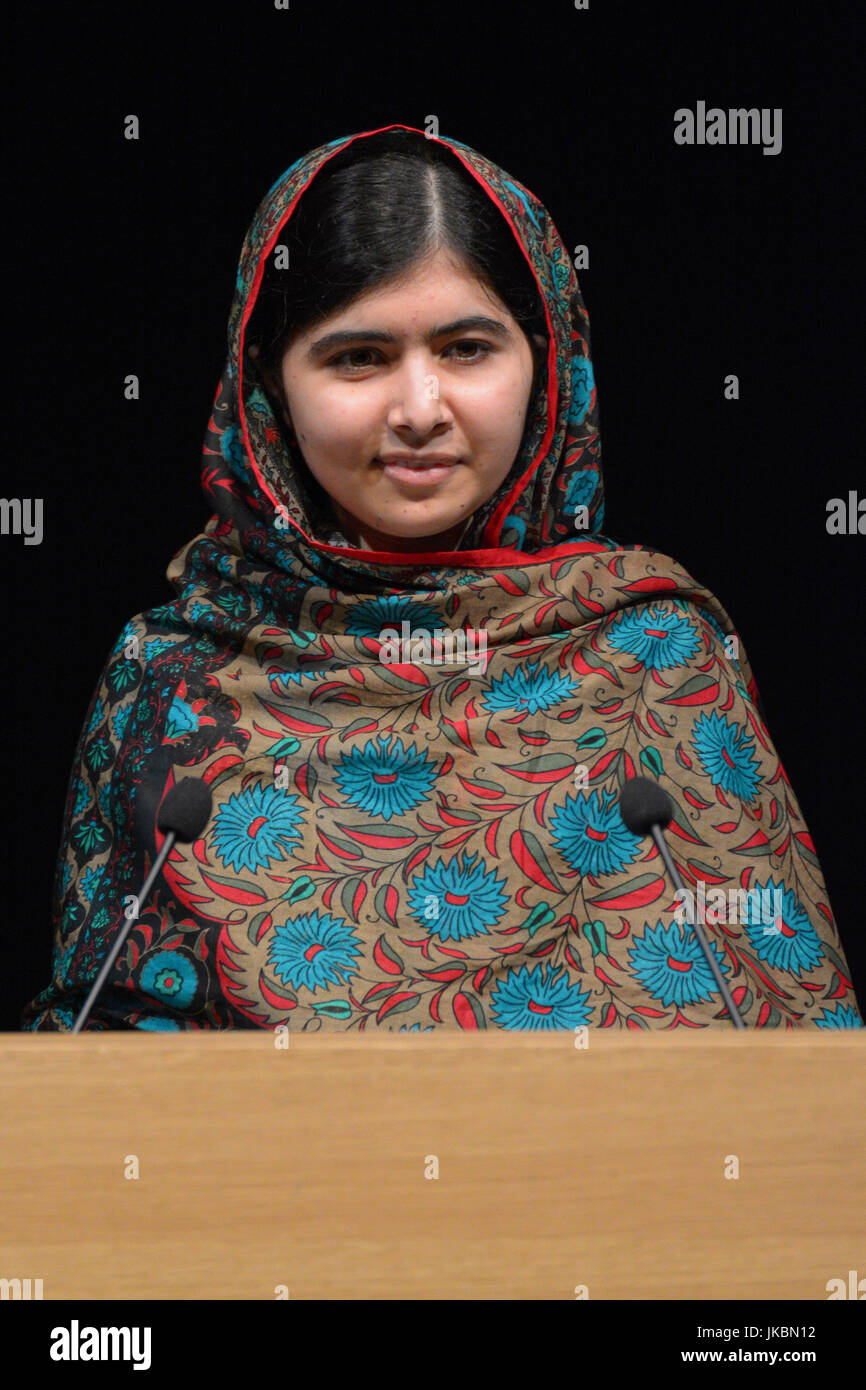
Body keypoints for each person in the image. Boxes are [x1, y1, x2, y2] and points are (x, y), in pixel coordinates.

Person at [21, 124, 862, 1032]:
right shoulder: (169, 679)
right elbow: (100, 1052)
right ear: (268, 382)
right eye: (358, 358)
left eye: (467, 349)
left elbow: (790, 1050)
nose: (420, 411)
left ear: (546, 364)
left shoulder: (656, 654)